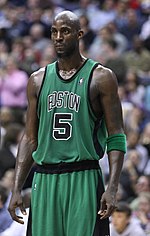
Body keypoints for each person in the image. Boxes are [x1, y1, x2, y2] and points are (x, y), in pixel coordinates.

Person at [8, 10, 126, 236]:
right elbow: (30, 137)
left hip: (84, 176)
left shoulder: (101, 77)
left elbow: (116, 135)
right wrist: (16, 189)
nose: (58, 37)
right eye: (54, 32)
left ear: (79, 34)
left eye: (65, 31)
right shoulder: (37, 79)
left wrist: (112, 187)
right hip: (44, 179)